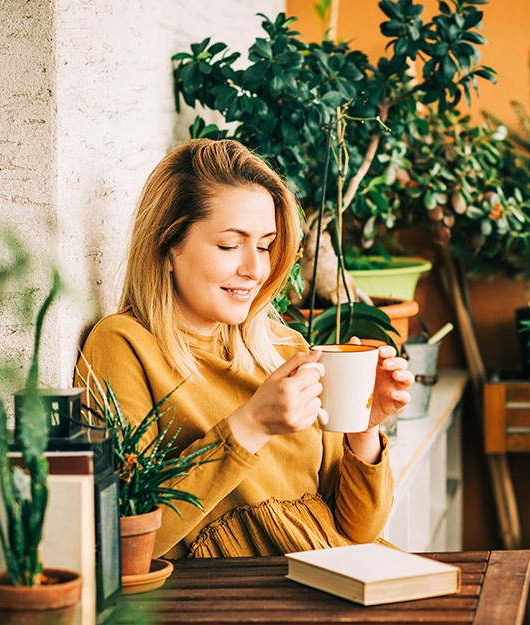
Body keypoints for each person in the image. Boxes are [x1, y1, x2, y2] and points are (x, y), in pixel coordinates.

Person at [76, 138, 412, 558]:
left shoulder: (286, 347)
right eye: (229, 245)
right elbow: (127, 541)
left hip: (338, 583)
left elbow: (358, 532)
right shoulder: (124, 345)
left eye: (266, 245)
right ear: (168, 247)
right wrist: (251, 425)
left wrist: (364, 429)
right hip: (235, 598)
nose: (255, 269)